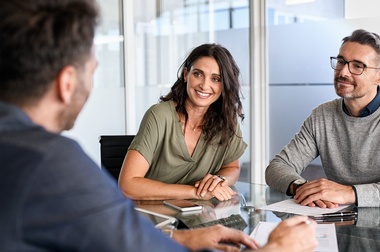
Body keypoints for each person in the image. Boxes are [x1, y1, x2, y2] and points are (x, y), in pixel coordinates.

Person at [0, 0, 318, 251]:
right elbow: (126, 208)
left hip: (184, 226)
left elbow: (231, 164)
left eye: (216, 79)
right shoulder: (52, 165)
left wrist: (185, 234)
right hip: (154, 221)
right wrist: (275, 249)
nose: (205, 84)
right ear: (67, 82)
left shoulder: (19, 149)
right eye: (93, 69)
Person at [265, 29, 380, 208]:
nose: (343, 72)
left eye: (358, 66)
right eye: (341, 61)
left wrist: (349, 192)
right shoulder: (322, 116)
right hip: (339, 224)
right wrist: (302, 188)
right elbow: (277, 167)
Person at [119, 43, 247, 201]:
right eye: (198, 74)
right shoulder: (159, 115)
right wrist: (195, 193)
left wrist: (219, 181)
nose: (205, 85)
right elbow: (127, 185)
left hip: (197, 217)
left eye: (216, 79)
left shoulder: (227, 120)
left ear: (224, 84)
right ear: (186, 74)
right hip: (152, 217)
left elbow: (232, 167)